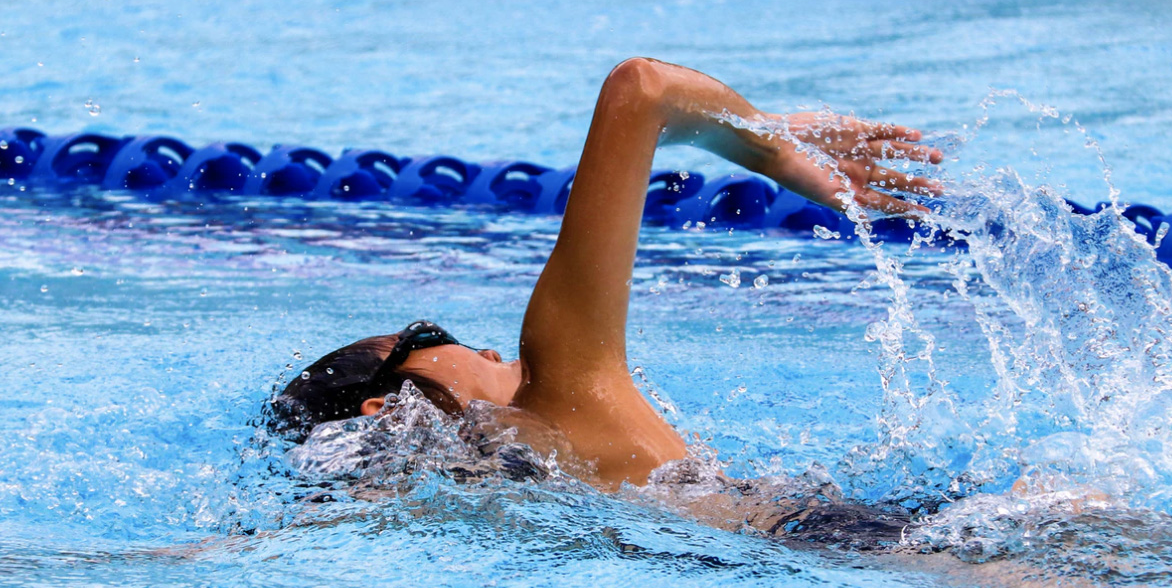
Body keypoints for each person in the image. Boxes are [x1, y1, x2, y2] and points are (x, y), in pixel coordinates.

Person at [271, 58, 942, 497]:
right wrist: (773, 147)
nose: (488, 351)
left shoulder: (501, 499)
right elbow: (641, 89)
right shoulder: (557, 381)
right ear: (388, 408)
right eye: (430, 336)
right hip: (869, 545)